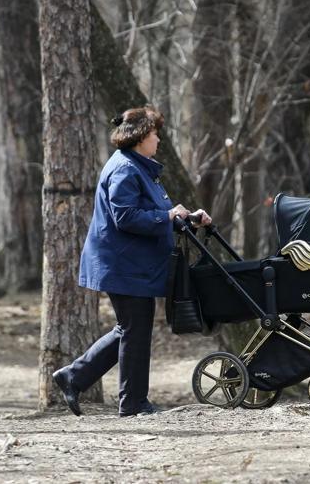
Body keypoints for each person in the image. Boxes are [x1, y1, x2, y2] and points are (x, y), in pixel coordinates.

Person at [52, 106, 211, 417]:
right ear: (140, 138)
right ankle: (132, 402)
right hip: (122, 264)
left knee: (130, 328)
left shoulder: (140, 166)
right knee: (134, 328)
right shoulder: (125, 168)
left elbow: (152, 213)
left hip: (130, 264)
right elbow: (125, 217)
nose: (158, 140)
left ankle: (75, 377)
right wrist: (167, 216)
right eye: (154, 134)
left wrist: (186, 219)